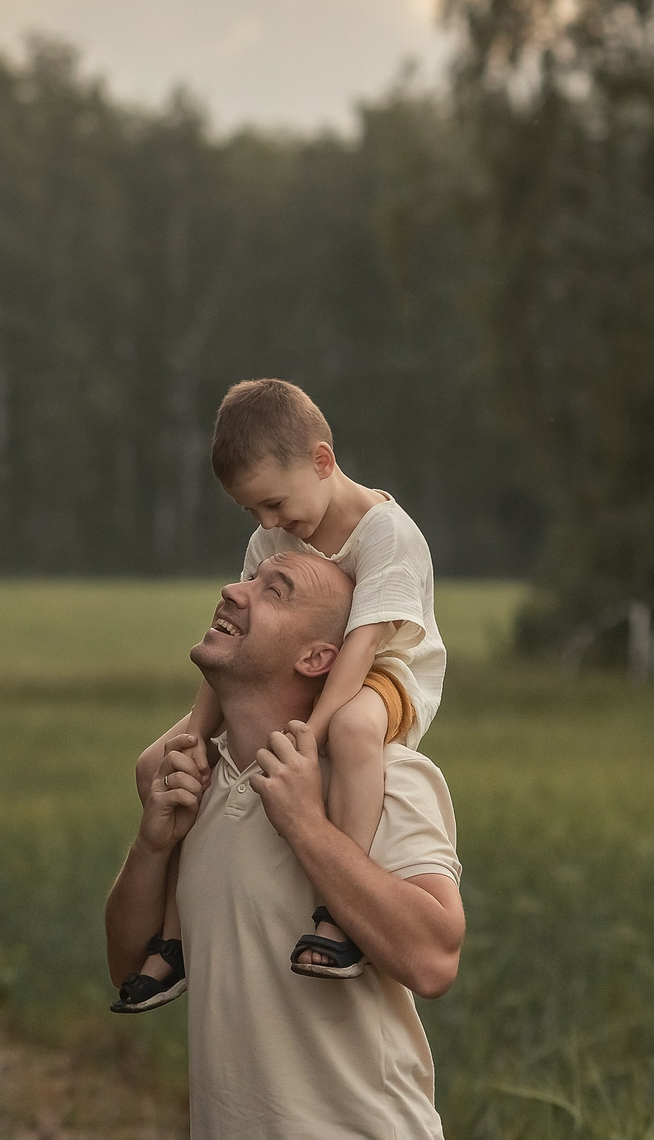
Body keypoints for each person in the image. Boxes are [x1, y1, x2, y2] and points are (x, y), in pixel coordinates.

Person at [104, 550, 466, 1140]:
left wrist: (307, 826)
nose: (233, 589)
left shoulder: (385, 781)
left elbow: (435, 955)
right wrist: (154, 841)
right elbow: (127, 961)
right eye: (246, 579)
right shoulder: (199, 784)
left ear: (317, 658)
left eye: (273, 591)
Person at [113, 379, 445, 1011]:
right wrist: (192, 735)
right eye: (252, 514)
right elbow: (233, 640)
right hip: (321, 667)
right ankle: (175, 940)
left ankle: (337, 915)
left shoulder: (388, 535)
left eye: (273, 504)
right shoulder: (275, 537)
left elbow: (362, 646)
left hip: (387, 669)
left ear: (322, 462)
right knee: (159, 763)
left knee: (351, 730)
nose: (268, 526)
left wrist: (309, 736)